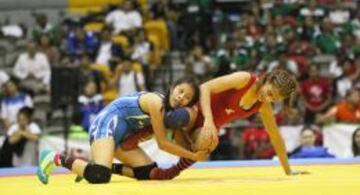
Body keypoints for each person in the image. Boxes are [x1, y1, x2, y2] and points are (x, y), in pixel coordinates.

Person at [112, 70, 308, 179]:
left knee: (207, 142)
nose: (268, 98)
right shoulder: (245, 79)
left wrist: (288, 170)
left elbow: (275, 137)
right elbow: (204, 87)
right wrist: (208, 120)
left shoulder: (262, 106)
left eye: (273, 99)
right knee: (178, 118)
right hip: (195, 111)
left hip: (205, 127)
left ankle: (173, 170)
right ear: (268, 80)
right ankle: (143, 131)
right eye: (269, 92)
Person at [37, 77, 207, 184]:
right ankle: (55, 157)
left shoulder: (169, 115)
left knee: (147, 173)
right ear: (172, 88)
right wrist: (192, 156)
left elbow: (177, 141)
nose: (180, 97)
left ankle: (99, 166)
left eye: (186, 98)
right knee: (99, 176)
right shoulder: (156, 103)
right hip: (106, 125)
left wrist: (192, 142)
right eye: (181, 91)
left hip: (123, 136)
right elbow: (162, 144)